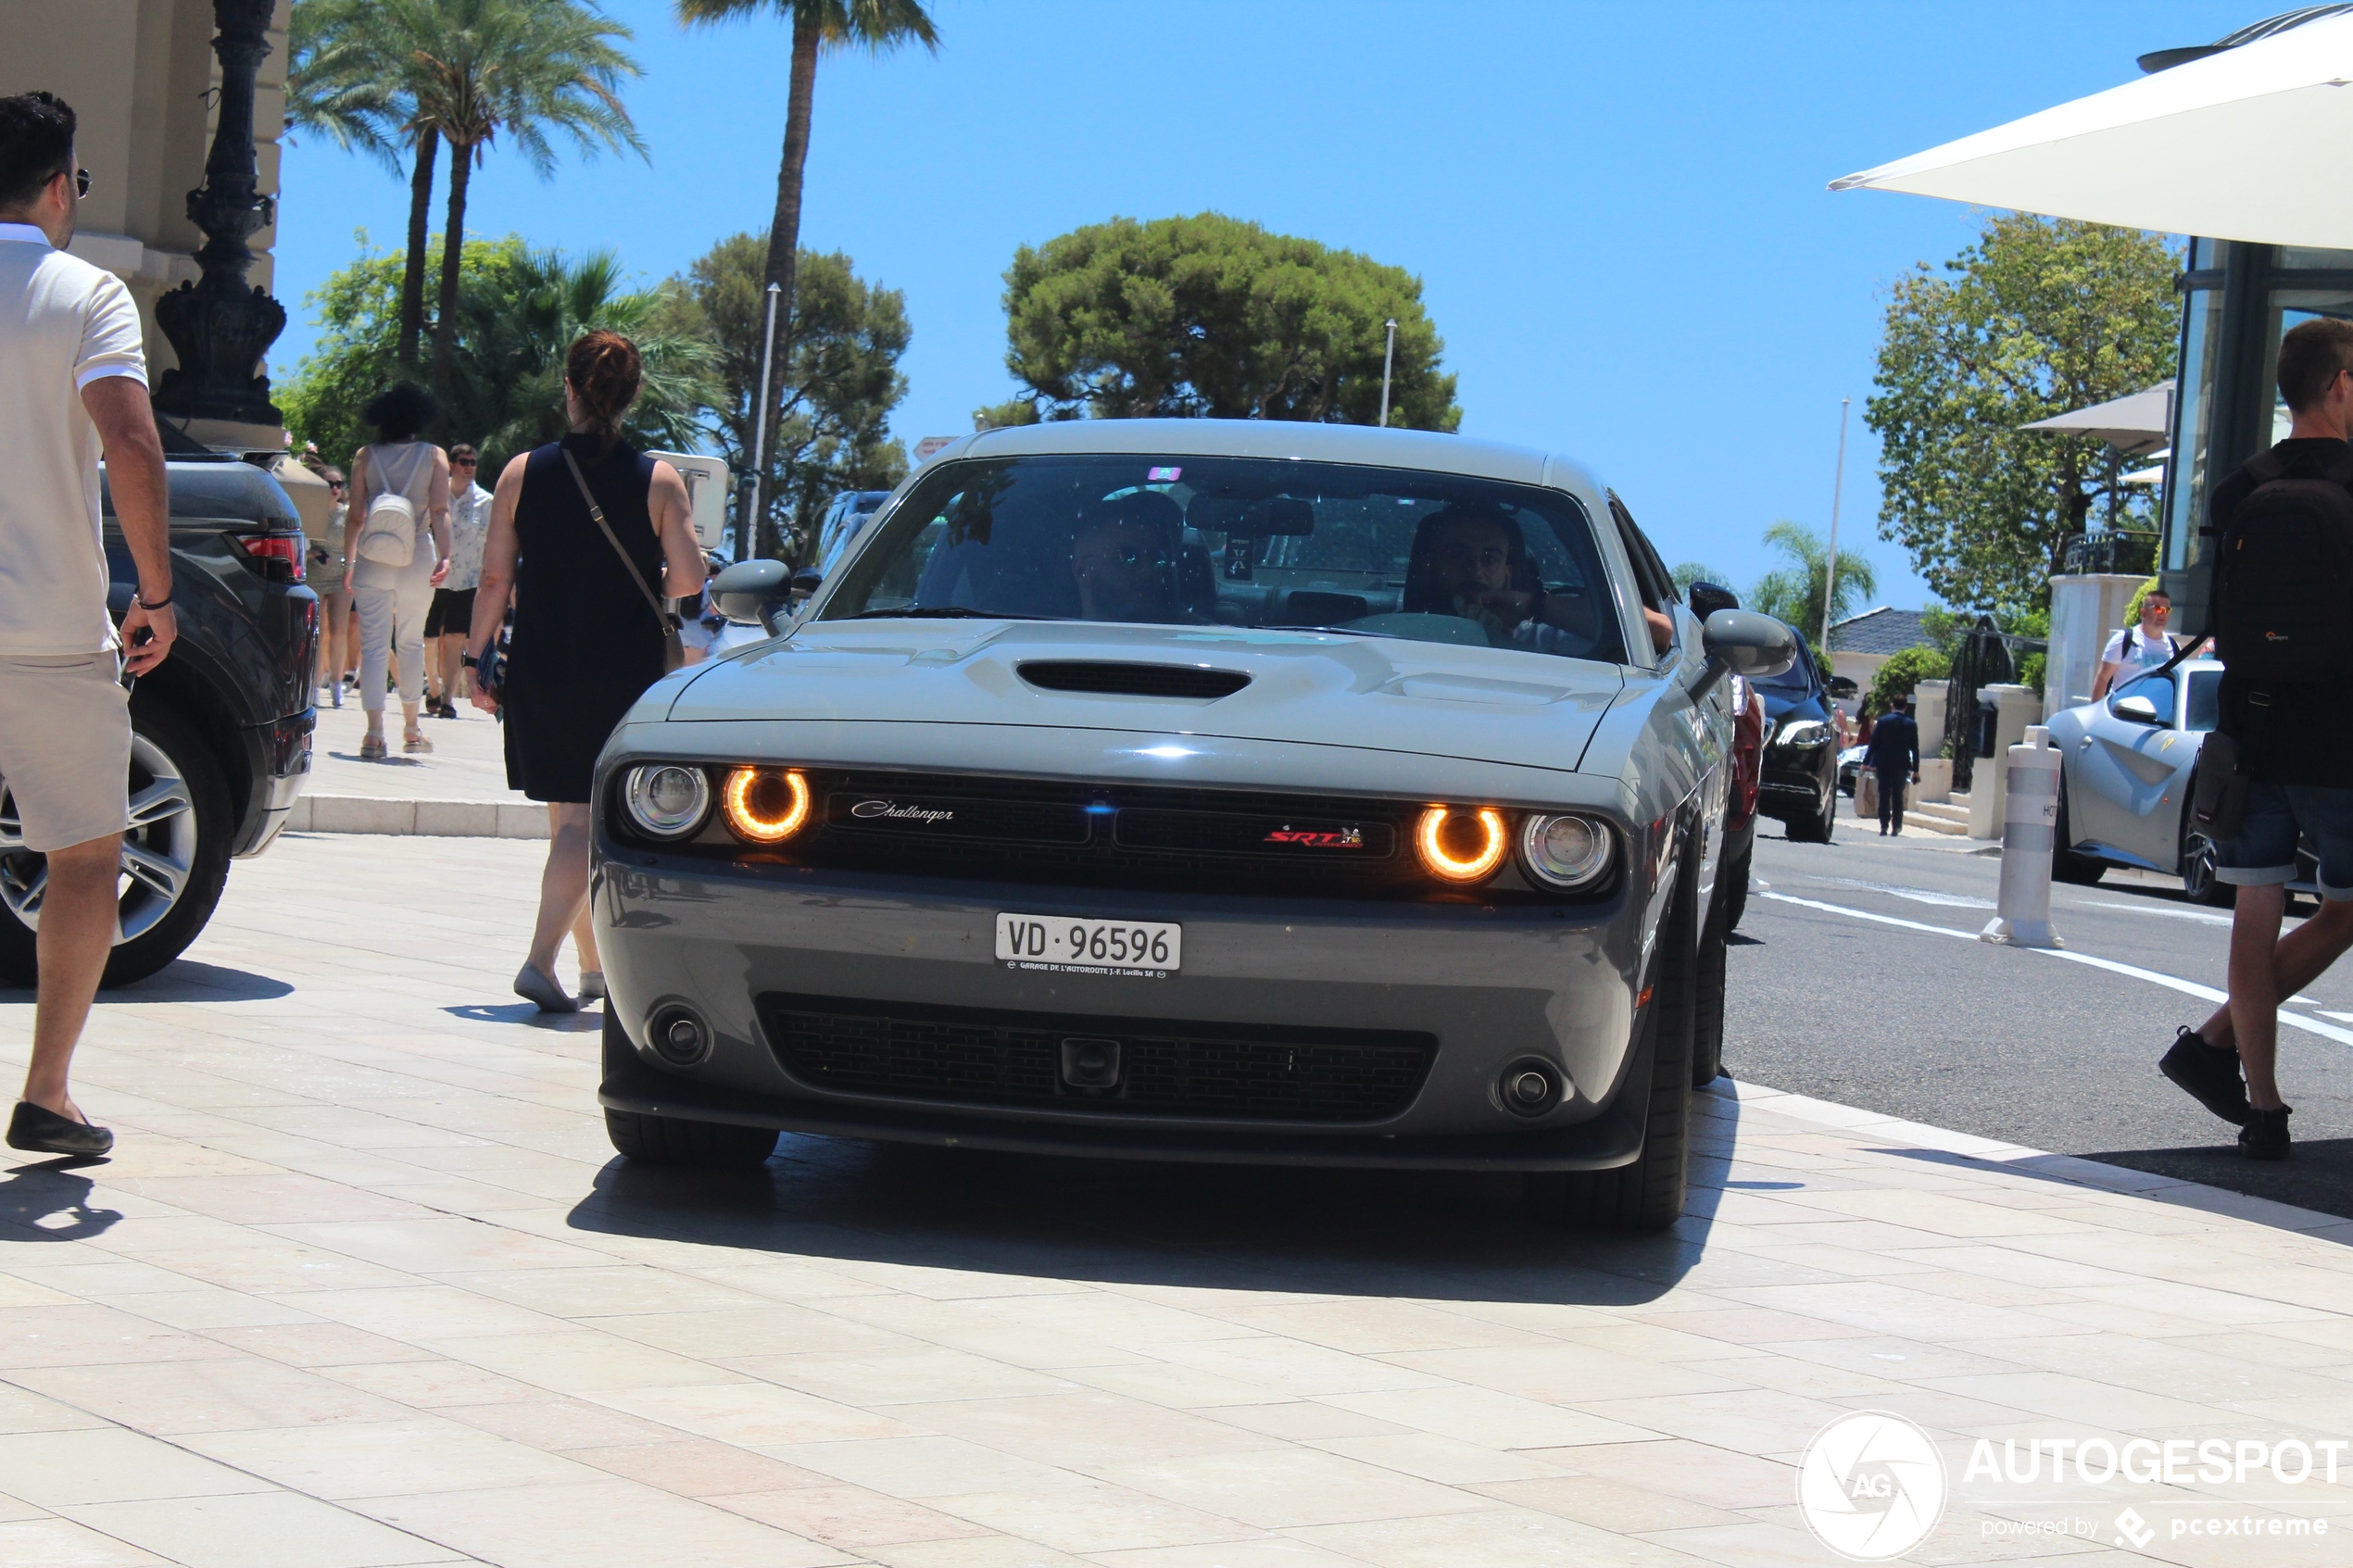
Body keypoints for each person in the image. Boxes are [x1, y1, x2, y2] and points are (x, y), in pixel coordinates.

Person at [0, 91, 176, 1157]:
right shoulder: (86, 293)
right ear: (62, 185)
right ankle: (47, 1090)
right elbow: (131, 444)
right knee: (83, 857)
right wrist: (154, 595)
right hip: (52, 630)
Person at [2158, 317, 2353, 1161]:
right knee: (2344, 910)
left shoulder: (2240, 487)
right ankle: (2208, 1046)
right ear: (2340, 385)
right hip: (2342, 734)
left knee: (2255, 904)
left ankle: (2262, 1110)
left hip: (2250, 728)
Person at [467, 331, 703, 1012]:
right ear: (631, 398)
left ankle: (592, 966)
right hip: (620, 670)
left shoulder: (521, 473)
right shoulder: (658, 480)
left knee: (567, 821)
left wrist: (473, 657)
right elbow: (686, 580)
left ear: (567, 389)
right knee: (582, 825)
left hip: (541, 665)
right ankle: (543, 961)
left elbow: (491, 578)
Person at [344, 384, 451, 760]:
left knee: (373, 646)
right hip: (417, 552)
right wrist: (447, 555)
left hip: (374, 554)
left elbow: (356, 515)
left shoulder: (365, 456)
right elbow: (439, 511)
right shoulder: (434, 456)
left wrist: (350, 560)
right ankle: (411, 727)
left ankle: (373, 732)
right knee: (410, 642)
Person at [1403, 503, 1619, 654]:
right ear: (1431, 566)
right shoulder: (1392, 633)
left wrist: (1534, 606)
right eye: (1457, 556)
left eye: (1489, 559)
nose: (1475, 570)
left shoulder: (1542, 639)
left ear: (1508, 575)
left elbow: (1639, 633)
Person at [426, 442, 489, 717]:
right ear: (452, 465)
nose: (469, 467)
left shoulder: (486, 502)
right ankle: (433, 688)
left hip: (467, 580)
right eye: (464, 462)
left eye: (473, 462)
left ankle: (448, 700)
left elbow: (491, 544)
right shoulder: (434, 495)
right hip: (431, 578)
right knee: (428, 639)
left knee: (454, 639)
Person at [1072, 492, 1189, 621]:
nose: (1148, 569)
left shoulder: (1198, 635)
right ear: (1082, 571)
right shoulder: (1050, 636)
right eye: (1128, 557)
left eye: (1157, 558)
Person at [308, 465, 352, 708]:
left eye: (339, 484)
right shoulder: (311, 512)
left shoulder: (347, 513)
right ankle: (313, 686)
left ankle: (337, 684)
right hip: (314, 574)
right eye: (330, 484)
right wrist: (312, 552)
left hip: (340, 576)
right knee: (317, 632)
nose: (335, 489)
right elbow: (300, 540)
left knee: (339, 631)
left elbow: (356, 540)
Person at [2091, 588, 2178, 701]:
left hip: (2159, 715)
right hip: (2123, 713)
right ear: (2144, 613)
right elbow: (2103, 678)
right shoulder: (2123, 640)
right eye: (2158, 609)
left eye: (2167, 610)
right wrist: (2096, 713)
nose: (2163, 614)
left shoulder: (2173, 646)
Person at [1863, 696, 1920, 835]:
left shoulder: (1883, 722)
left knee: (1884, 794)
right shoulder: (1911, 724)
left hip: (1884, 763)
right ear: (1905, 707)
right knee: (1898, 796)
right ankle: (1897, 825)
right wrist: (1916, 770)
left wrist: (1866, 762)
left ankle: (1884, 825)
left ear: (1891, 705)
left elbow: (1874, 744)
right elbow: (1915, 748)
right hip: (1902, 764)